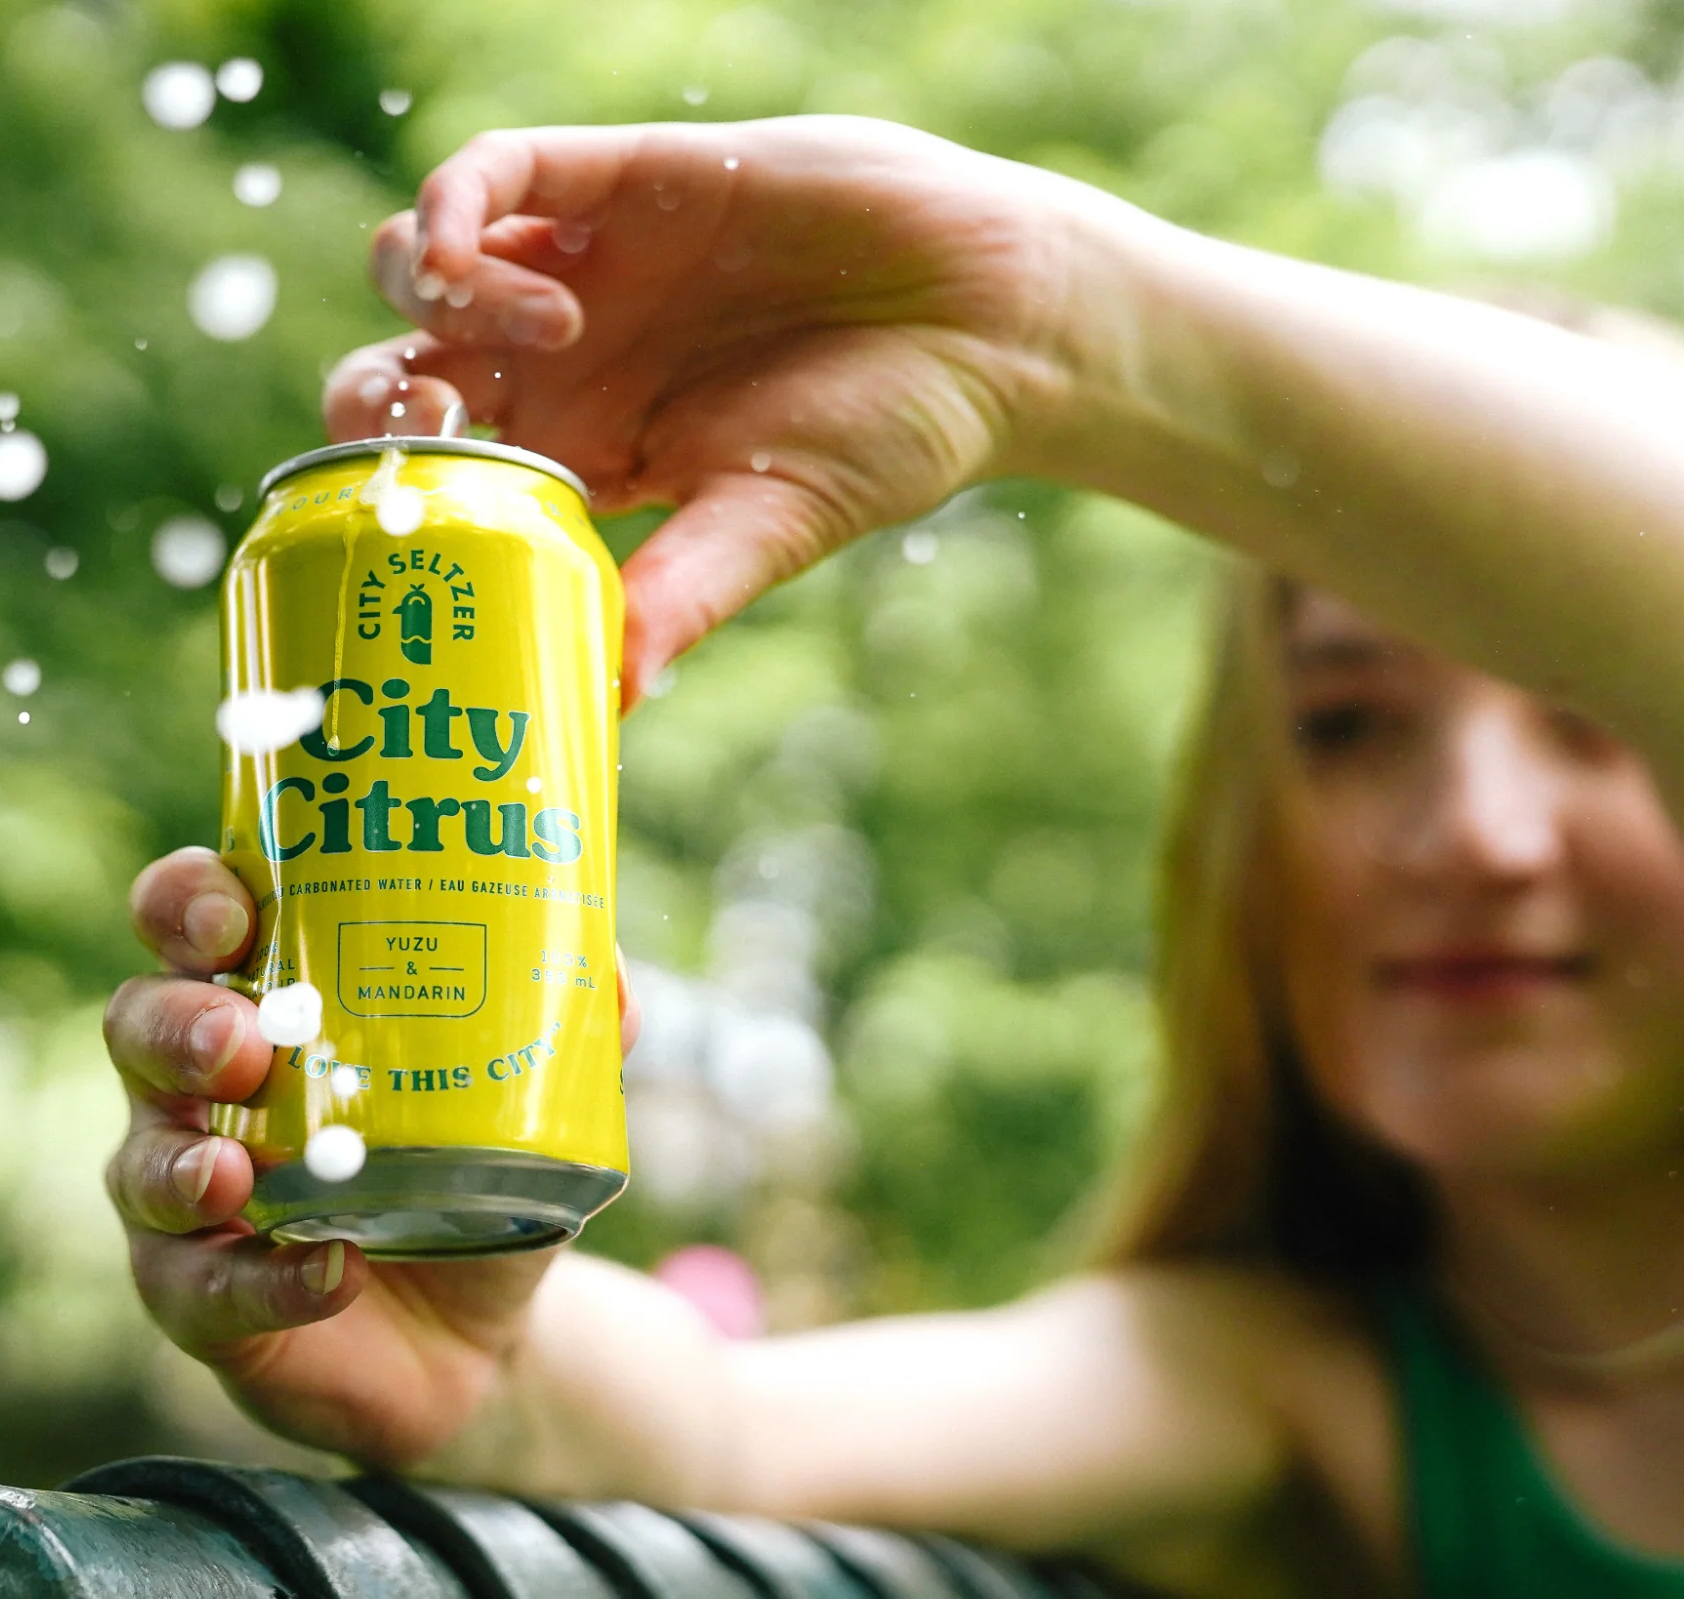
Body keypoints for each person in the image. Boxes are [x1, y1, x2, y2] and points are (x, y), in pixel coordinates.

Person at [101, 117, 1684, 1597]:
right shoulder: (1297, 1382)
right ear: (1241, 834)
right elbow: (731, 1432)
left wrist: (1061, 324)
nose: (1475, 833)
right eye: (1344, 725)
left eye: (1595, 712)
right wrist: (489, 1356)